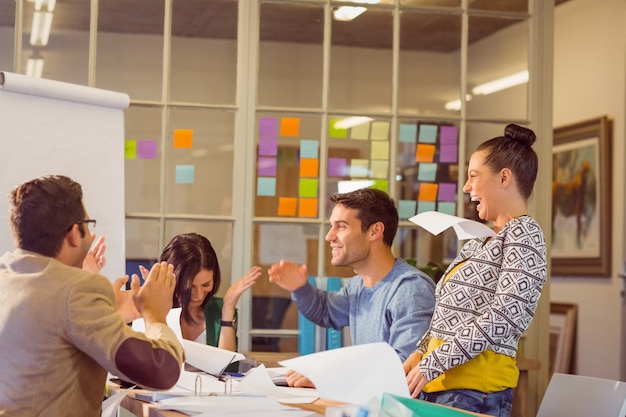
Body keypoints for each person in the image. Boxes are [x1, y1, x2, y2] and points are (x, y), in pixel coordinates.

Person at [0, 175, 184, 417]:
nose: (90, 236)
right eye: (88, 225)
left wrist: (112, 311)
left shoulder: (7, 275)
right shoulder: (77, 290)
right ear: (75, 233)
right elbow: (162, 371)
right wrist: (155, 314)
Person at [404, 124, 548, 417]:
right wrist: (419, 354)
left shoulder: (524, 233)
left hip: (474, 394)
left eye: (473, 176)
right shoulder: (482, 238)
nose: (466, 187)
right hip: (441, 387)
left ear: (504, 177)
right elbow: (449, 316)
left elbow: (505, 317)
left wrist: (433, 362)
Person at [268, 187, 436, 387]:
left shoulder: (410, 290)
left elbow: (404, 369)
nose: (329, 236)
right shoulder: (358, 286)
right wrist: (300, 288)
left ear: (374, 231)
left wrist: (328, 378)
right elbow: (326, 311)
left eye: (341, 226)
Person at [143, 233, 262, 352]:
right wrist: (154, 306)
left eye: (206, 285)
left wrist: (228, 309)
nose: (198, 296)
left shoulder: (219, 311)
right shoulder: (155, 309)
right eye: (190, 287)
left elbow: (229, 368)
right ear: (172, 278)